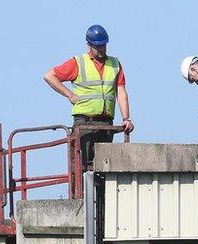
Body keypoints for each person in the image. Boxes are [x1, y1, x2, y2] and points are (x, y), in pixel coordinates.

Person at [44, 25, 134, 165]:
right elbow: (49, 76)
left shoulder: (115, 64)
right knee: (81, 166)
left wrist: (126, 118)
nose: (101, 49)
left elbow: (121, 91)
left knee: (104, 168)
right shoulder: (78, 63)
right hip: (84, 123)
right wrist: (69, 94)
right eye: (97, 46)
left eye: (103, 45)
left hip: (106, 124)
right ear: (89, 46)